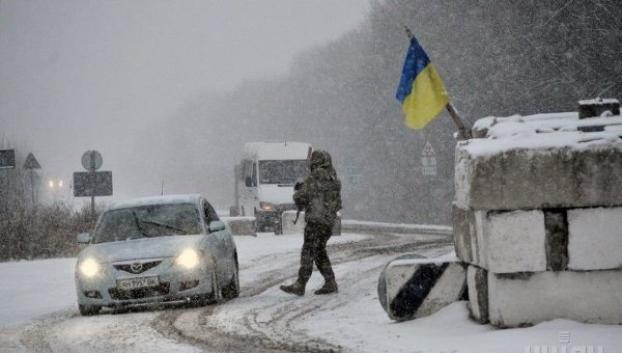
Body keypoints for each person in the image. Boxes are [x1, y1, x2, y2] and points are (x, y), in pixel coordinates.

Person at [280, 150, 342, 296]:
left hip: (316, 221)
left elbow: (301, 197)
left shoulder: (316, 176)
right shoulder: (334, 178)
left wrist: (300, 190)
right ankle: (330, 281)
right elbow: (336, 203)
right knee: (319, 251)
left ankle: (300, 284)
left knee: (308, 251)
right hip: (328, 222)